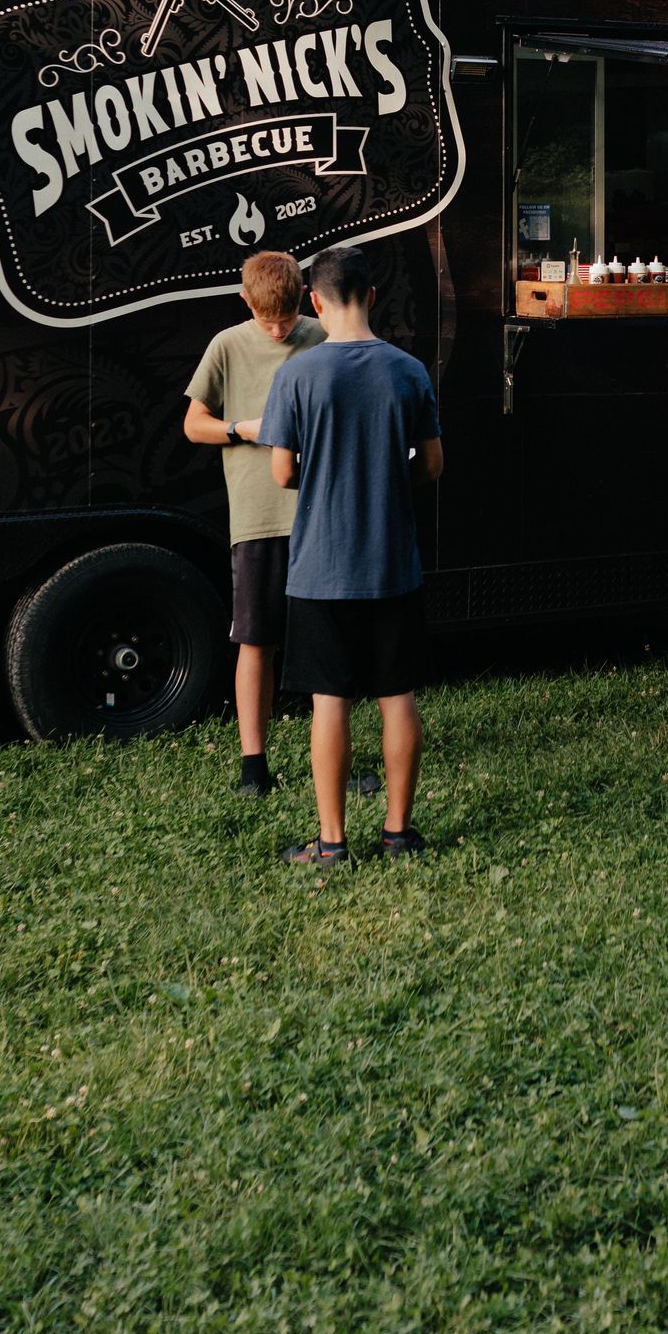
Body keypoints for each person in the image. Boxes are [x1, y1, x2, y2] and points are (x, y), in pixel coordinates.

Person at [259, 245, 443, 869]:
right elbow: (434, 464)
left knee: (328, 703)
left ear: (314, 300)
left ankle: (332, 842)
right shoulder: (408, 370)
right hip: (393, 563)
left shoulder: (297, 376)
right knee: (398, 696)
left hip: (321, 569)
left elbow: (283, 472)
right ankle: (398, 833)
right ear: (372, 295)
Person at [183, 250, 325, 796]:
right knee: (256, 642)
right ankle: (253, 764)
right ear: (246, 303)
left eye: (287, 320)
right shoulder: (227, 344)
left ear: (304, 301)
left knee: (323, 639)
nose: (278, 330)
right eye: (268, 321)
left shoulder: (322, 333)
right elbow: (194, 425)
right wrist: (244, 428)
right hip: (258, 516)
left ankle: (331, 752)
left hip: (317, 511)